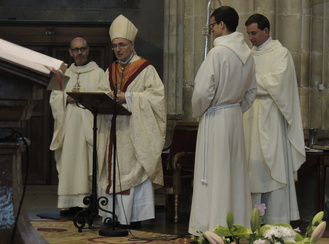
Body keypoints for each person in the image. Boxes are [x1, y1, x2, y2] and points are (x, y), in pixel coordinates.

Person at [188, 6, 257, 235]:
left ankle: (212, 225)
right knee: (233, 172)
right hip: (234, 117)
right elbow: (251, 92)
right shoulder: (247, 54)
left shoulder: (217, 53)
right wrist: (235, 108)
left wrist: (201, 110)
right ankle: (238, 224)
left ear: (221, 25)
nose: (211, 29)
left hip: (216, 117)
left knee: (215, 172)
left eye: (212, 25)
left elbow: (202, 92)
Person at [97, 15, 166, 227]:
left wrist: (128, 97)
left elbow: (158, 99)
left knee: (133, 171)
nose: (118, 50)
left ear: (132, 45)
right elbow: (101, 93)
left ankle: (134, 217)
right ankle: (113, 215)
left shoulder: (146, 69)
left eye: (122, 45)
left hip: (135, 132)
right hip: (113, 131)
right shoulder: (110, 70)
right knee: (113, 171)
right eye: (114, 46)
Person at [243, 14, 306, 224]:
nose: (250, 38)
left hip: (271, 121)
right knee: (251, 171)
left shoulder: (281, 54)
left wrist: (252, 84)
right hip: (250, 119)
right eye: (248, 33)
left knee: (273, 170)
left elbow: (278, 83)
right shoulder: (248, 55)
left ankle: (276, 222)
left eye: (253, 33)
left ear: (266, 31)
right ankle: (253, 222)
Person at [49, 37, 109, 215]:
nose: (79, 53)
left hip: (88, 127)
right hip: (68, 126)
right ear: (70, 52)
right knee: (69, 162)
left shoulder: (99, 73)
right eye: (75, 50)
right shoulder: (61, 72)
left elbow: (104, 97)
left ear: (88, 50)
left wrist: (83, 99)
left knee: (86, 162)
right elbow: (52, 98)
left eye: (82, 49)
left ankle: (88, 203)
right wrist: (64, 98)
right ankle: (68, 203)